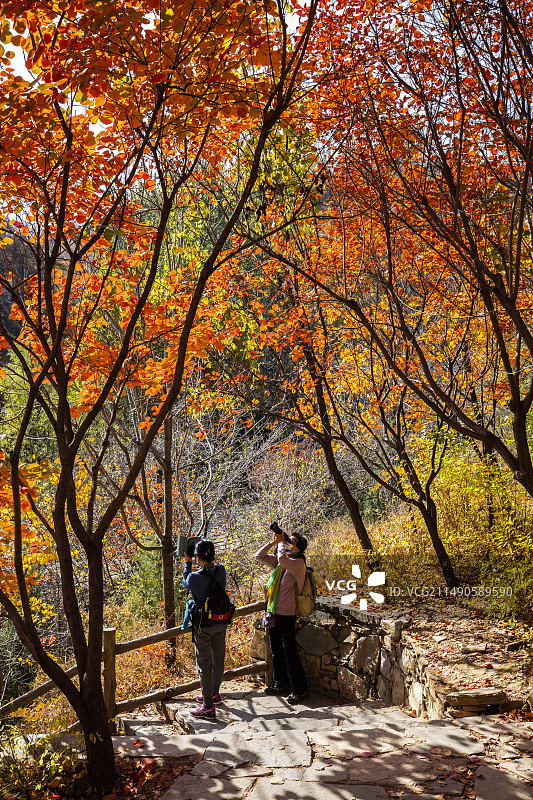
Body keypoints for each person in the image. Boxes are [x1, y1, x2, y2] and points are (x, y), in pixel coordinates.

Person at [255, 527, 309, 704]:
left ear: (298, 549)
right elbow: (259, 556)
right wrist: (272, 542)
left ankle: (300, 690)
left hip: (287, 613)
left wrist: (280, 542)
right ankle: (281, 683)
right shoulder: (282, 565)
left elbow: (281, 558)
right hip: (274, 612)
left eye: (291, 542)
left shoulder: (298, 564)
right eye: (288, 540)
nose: (287, 543)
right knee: (276, 649)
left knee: (290, 651)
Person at [183, 539, 227, 719]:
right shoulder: (221, 570)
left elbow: (185, 582)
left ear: (198, 557)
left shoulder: (194, 577)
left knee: (204, 665)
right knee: (218, 660)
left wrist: (187, 563)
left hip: (203, 625)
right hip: (221, 621)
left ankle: (208, 707)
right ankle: (214, 694)